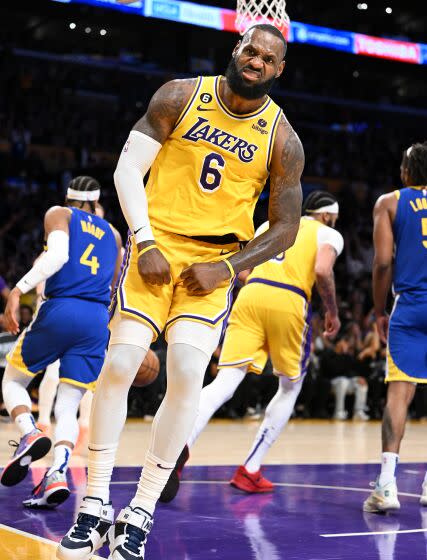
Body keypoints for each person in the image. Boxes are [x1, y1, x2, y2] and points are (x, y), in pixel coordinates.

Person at [58, 23, 303, 560]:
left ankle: (140, 509)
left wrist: (230, 267)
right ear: (235, 51)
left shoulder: (283, 138)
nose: (256, 62)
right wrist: (143, 241)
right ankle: (95, 500)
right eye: (250, 51)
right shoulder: (180, 94)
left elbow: (287, 227)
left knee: (189, 374)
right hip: (156, 247)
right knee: (121, 363)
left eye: (268, 58)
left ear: (280, 69)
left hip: (213, 266)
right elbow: (127, 170)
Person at [161, 190, 343, 499]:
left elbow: (244, 270)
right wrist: (333, 312)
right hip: (290, 299)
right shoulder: (328, 233)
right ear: (326, 215)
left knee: (226, 382)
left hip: (251, 293)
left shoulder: (270, 226)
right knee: (290, 386)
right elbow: (323, 270)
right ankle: (251, 469)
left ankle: (177, 447)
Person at [1, 176, 121, 510]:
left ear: (69, 198)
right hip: (97, 320)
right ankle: (56, 473)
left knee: (13, 381)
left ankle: (29, 431)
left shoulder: (60, 214)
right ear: (96, 202)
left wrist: (17, 290)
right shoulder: (113, 234)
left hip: (61, 307)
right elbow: (114, 288)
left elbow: (57, 256)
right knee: (68, 403)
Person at [363, 142, 427, 513]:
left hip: (411, 304)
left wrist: (378, 309)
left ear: (405, 172)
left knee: (399, 395)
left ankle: (386, 486)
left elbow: (383, 262)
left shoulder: (389, 202)